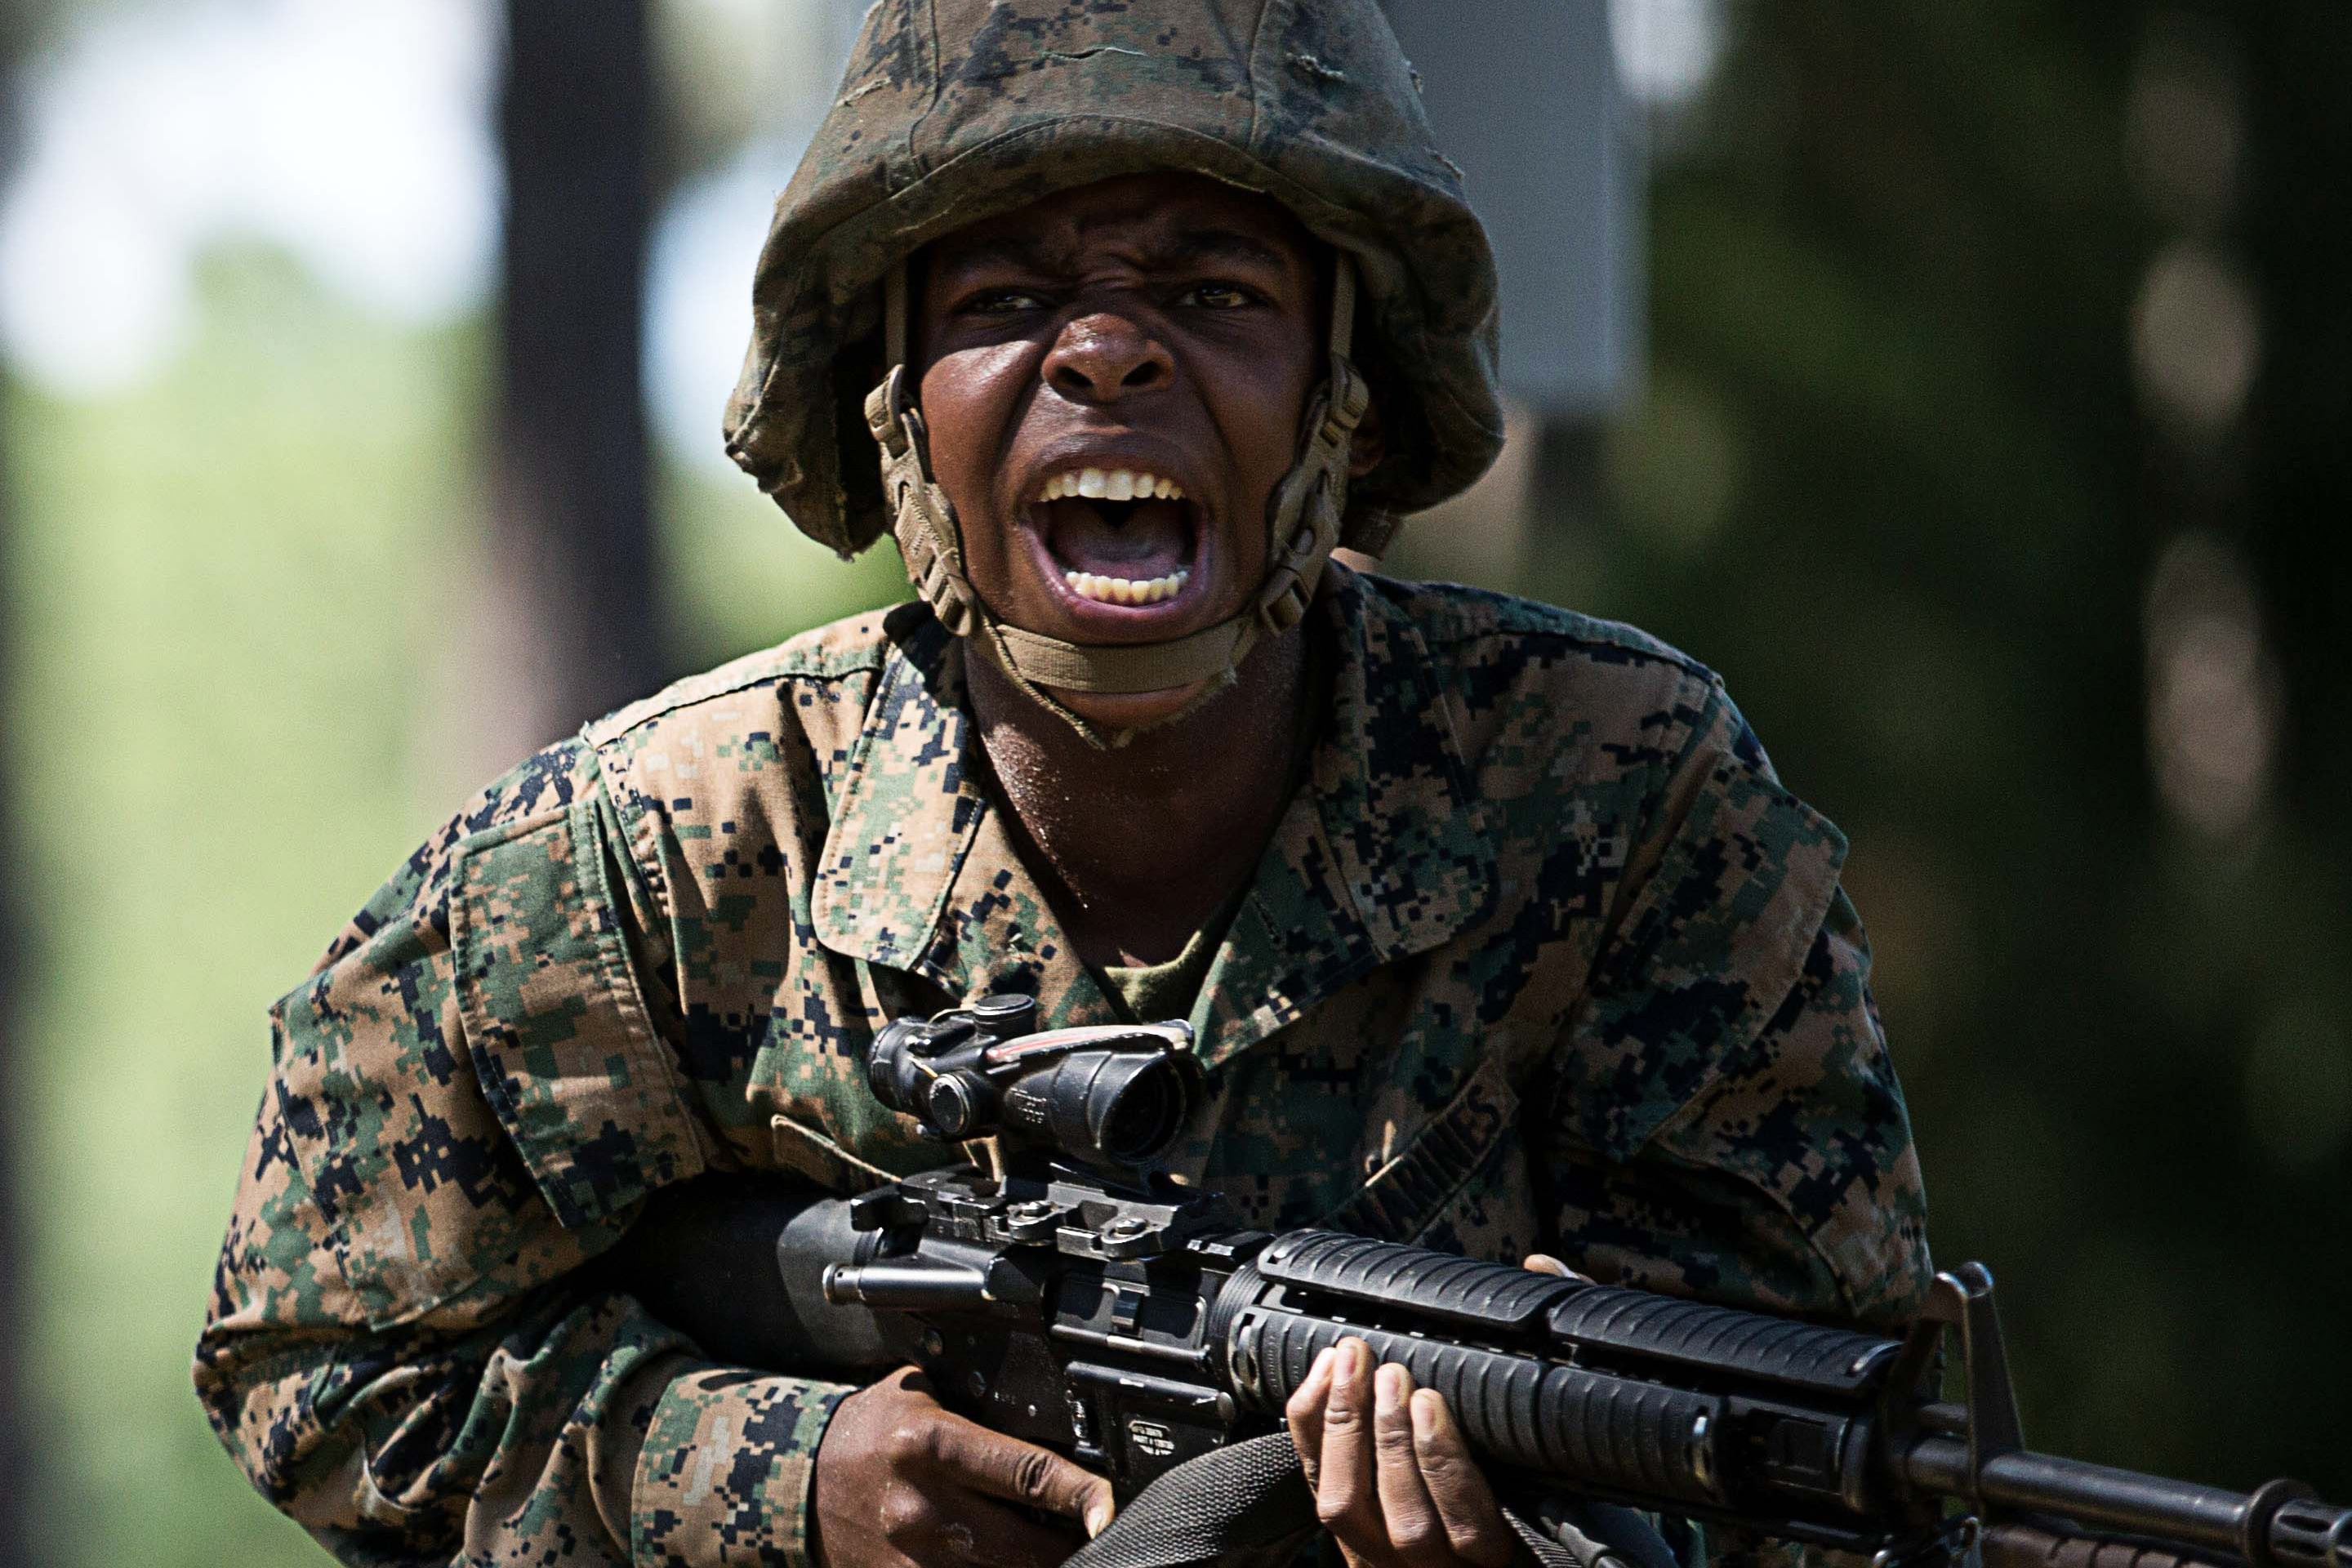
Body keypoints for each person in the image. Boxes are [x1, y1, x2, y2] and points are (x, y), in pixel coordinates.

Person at [195, 3, 1931, 1566]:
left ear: (1344, 395)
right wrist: (774, 1474)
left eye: (1217, 294)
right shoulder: (661, 854)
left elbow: (1821, 1468)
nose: (1109, 357)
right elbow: (316, 1354)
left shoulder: (1615, 794)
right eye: (1006, 302)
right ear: (893, 411)